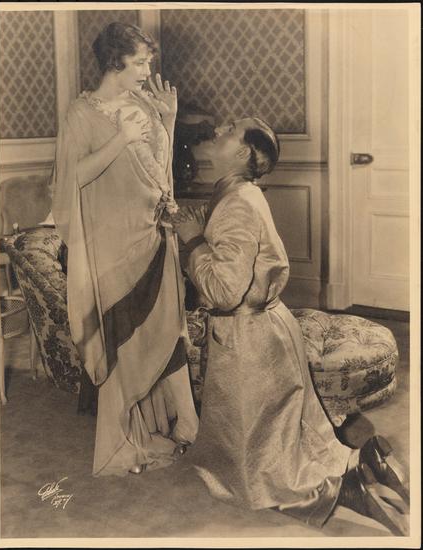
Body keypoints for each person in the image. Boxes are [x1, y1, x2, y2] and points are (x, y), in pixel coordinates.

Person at [172, 118, 409, 535]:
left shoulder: (238, 203)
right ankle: (365, 457)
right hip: (266, 327)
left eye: (231, 129)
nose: (220, 128)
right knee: (277, 432)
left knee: (258, 469)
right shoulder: (239, 192)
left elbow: (224, 290)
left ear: (242, 153)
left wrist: (192, 241)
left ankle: (342, 488)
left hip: (248, 337)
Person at [52, 22, 199, 477]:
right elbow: (72, 180)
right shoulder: (81, 113)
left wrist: (168, 120)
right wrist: (120, 140)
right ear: (114, 61)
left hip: (153, 232)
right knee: (126, 336)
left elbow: (160, 171)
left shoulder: (143, 103)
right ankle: (124, 433)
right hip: (112, 243)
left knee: (169, 327)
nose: (147, 71)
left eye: (148, 62)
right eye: (139, 62)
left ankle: (189, 422)